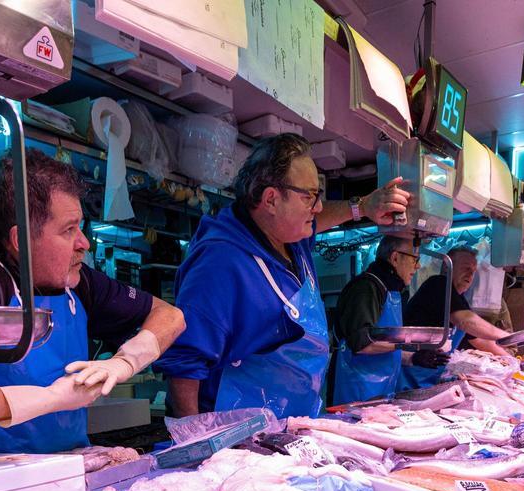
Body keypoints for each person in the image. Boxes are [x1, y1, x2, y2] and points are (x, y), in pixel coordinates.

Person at [0, 149, 185, 456]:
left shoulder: (78, 281)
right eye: (69, 230)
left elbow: (170, 316)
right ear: (20, 240)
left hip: (62, 469)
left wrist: (125, 362)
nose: (84, 244)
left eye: (80, 227)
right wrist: (52, 398)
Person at [157, 133, 410, 418]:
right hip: (235, 431)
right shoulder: (220, 263)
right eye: (309, 196)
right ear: (271, 199)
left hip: (292, 421)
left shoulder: (292, 238)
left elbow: (320, 218)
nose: (318, 207)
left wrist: (362, 207)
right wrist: (198, 439)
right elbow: (184, 365)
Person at [329, 235, 439, 404]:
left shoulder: (392, 291)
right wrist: (410, 344)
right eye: (415, 259)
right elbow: (362, 344)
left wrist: (413, 358)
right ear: (395, 258)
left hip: (380, 391)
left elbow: (385, 348)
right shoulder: (366, 288)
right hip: (355, 390)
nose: (418, 266)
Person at [399, 246, 513, 389]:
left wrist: (511, 360)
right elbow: (465, 321)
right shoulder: (438, 285)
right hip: (409, 376)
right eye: (466, 268)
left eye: (473, 271)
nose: (470, 275)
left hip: (429, 378)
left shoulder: (459, 299)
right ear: (447, 268)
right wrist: (509, 337)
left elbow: (478, 340)